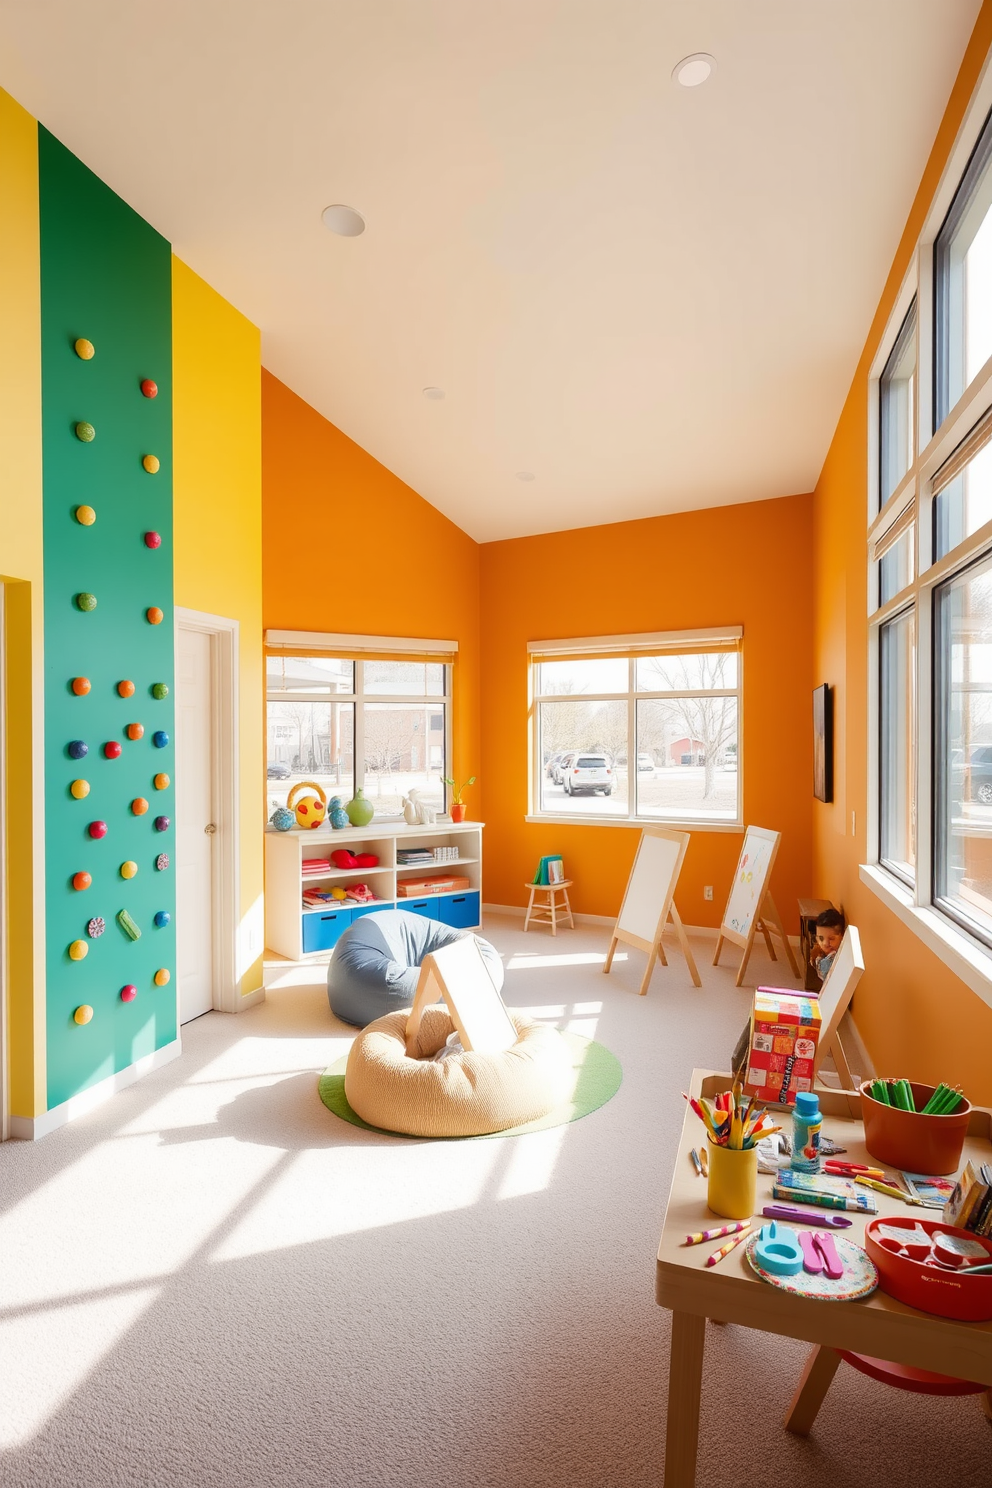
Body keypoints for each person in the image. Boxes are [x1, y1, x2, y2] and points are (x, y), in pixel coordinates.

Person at [811, 907, 845, 982]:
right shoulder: (818, 953)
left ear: (842, 936)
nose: (825, 944)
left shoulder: (842, 957)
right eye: (821, 938)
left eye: (831, 938)